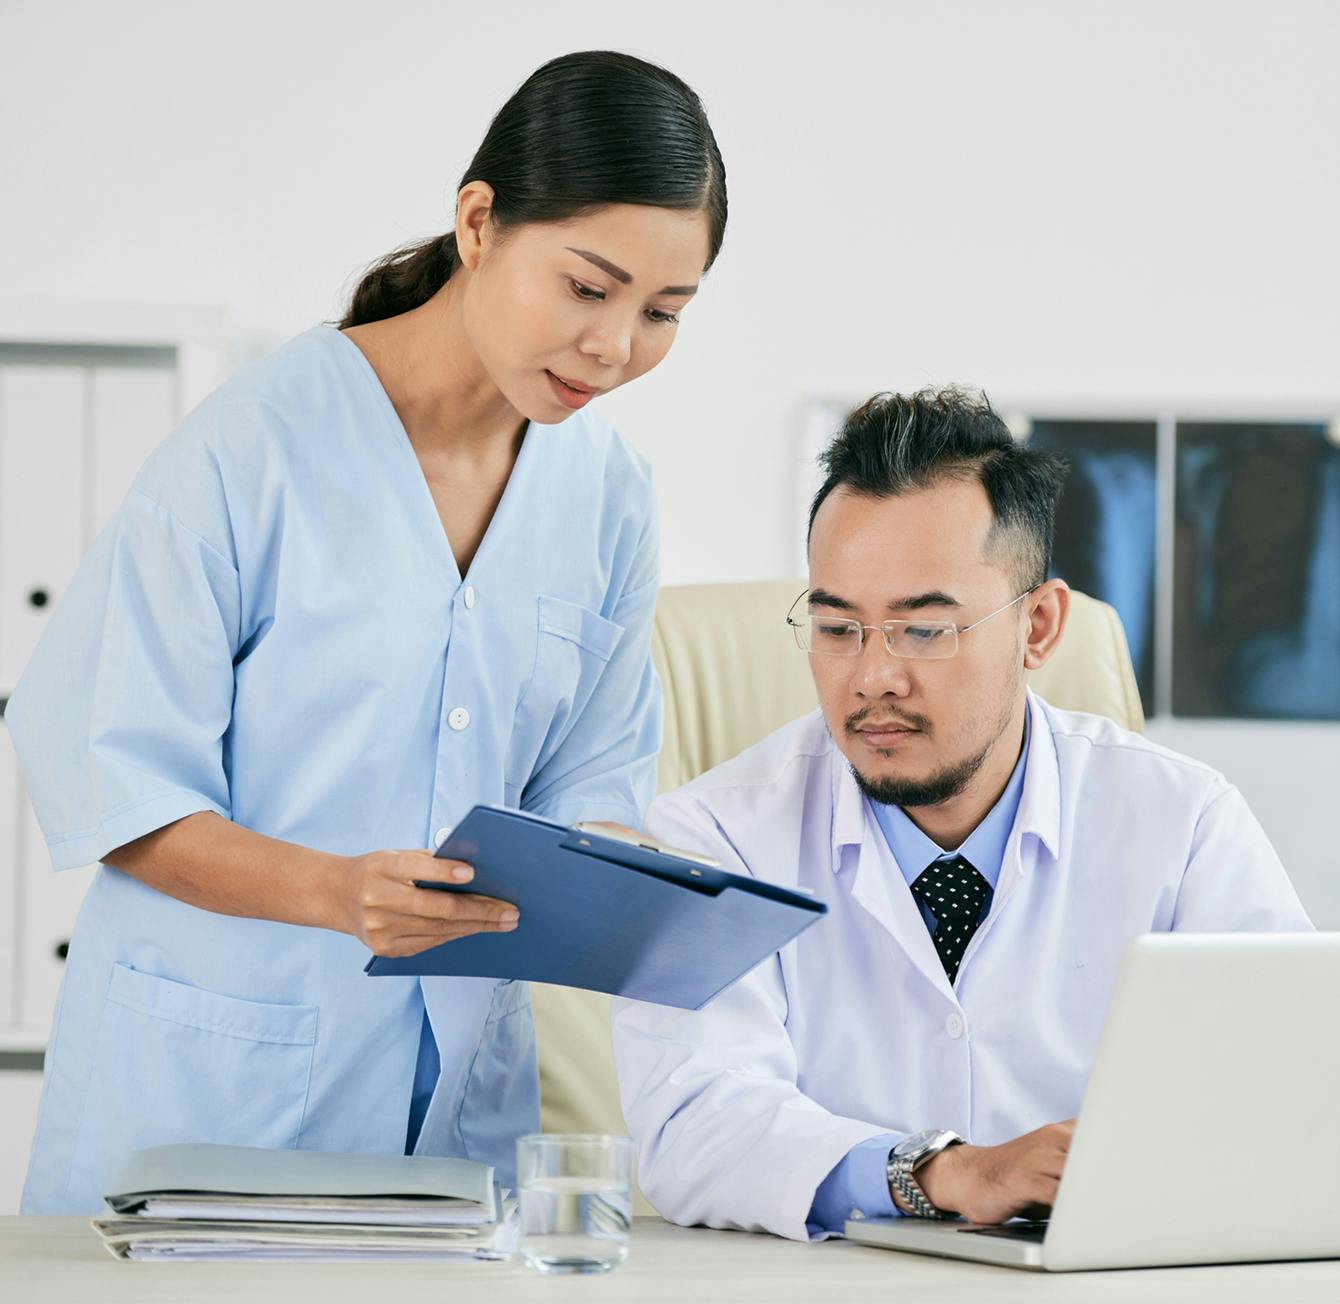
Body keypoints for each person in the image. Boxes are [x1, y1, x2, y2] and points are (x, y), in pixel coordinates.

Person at [8, 49, 727, 1214]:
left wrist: (621, 883)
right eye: (587, 288)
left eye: (662, 312)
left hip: (455, 1111)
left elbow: (591, 780)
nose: (615, 347)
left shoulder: (610, 495)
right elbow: (118, 793)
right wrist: (338, 890)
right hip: (209, 1099)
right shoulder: (252, 450)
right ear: (478, 221)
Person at [611, 388, 1311, 1241]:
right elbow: (694, 1130)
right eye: (837, 628)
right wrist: (945, 1173)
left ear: (1040, 627)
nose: (871, 678)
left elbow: (1289, 1093)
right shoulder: (713, 839)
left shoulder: (1183, 820)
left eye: (924, 631)